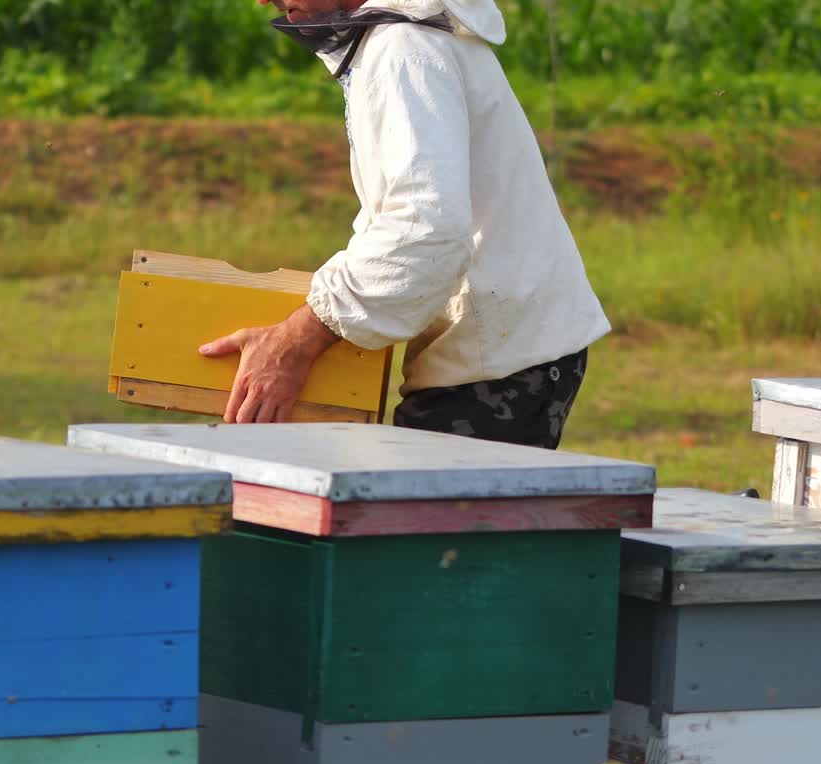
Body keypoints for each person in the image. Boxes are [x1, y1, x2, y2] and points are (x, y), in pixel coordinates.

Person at [198, 0, 610, 449]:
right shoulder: (402, 41)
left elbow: (423, 230)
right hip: (502, 352)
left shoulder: (403, 50)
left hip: (497, 362)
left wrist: (296, 342)